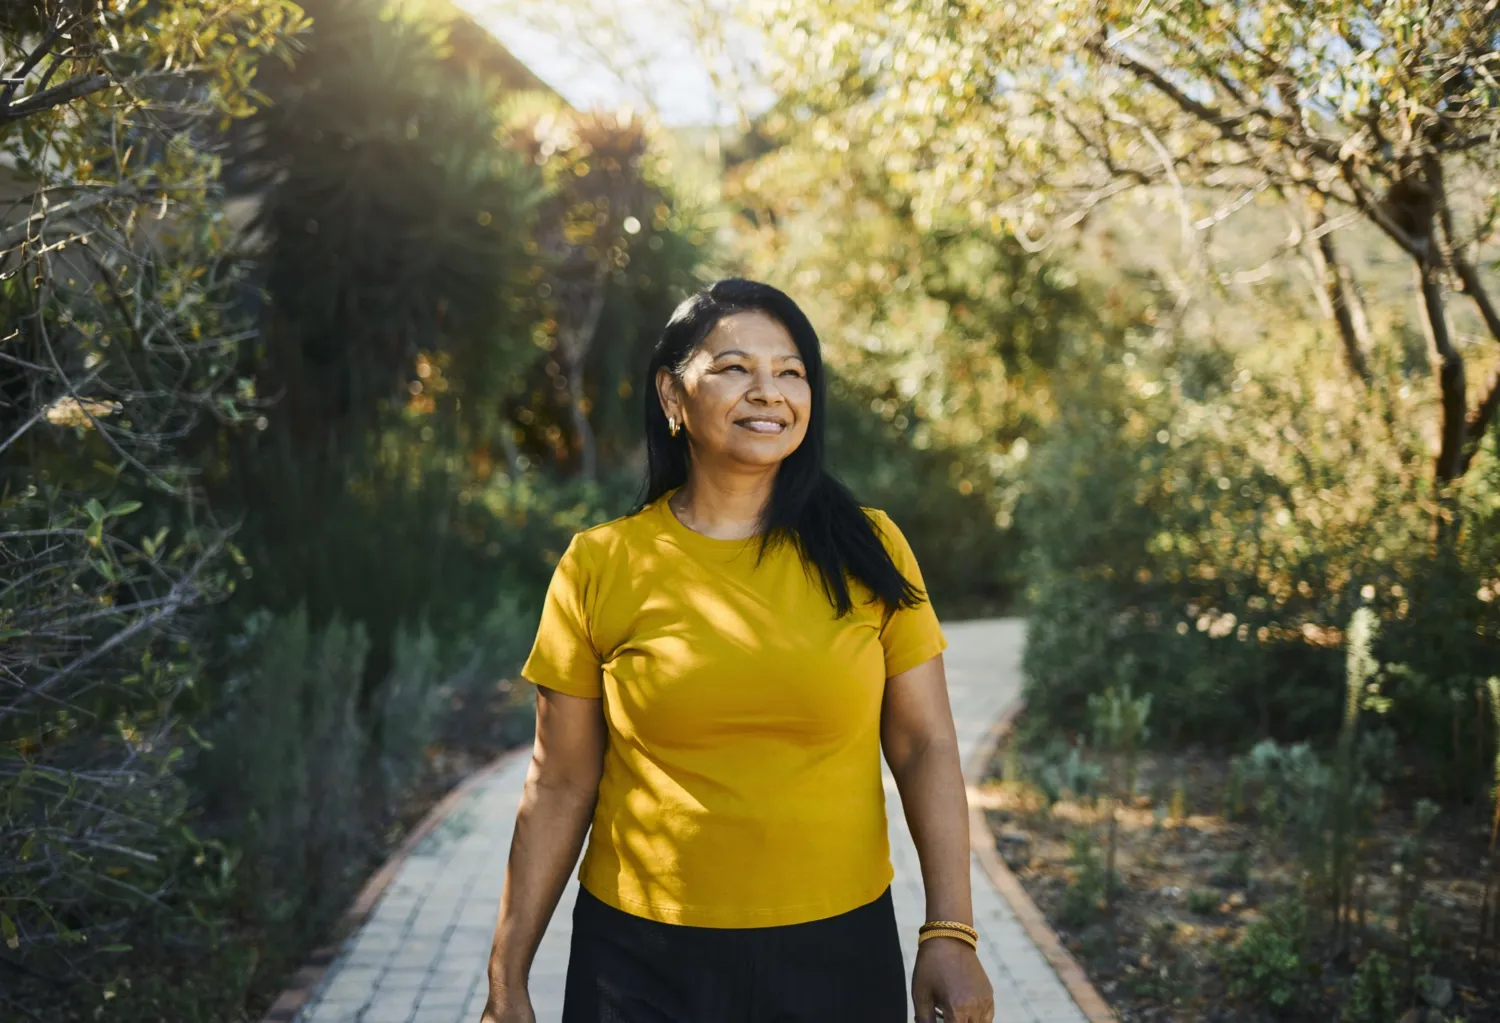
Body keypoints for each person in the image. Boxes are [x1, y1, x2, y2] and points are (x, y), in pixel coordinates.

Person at [481, 278, 995, 1023]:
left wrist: (950, 930)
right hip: (637, 960)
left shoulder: (870, 548)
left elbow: (925, 745)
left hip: (838, 953)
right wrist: (507, 974)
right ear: (671, 394)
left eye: (791, 372)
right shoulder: (602, 564)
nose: (769, 392)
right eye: (734, 368)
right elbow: (558, 781)